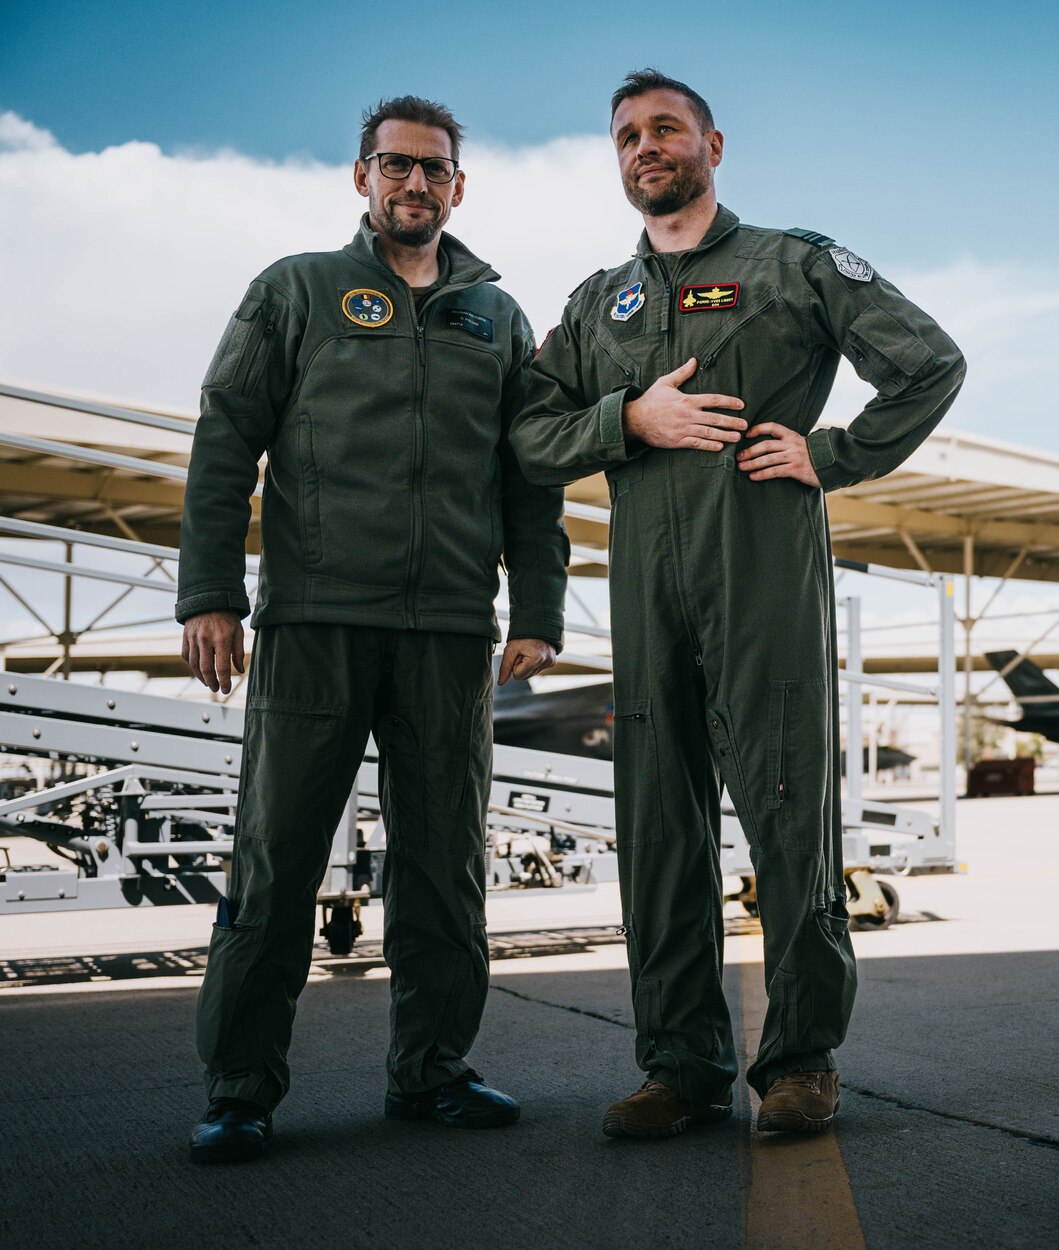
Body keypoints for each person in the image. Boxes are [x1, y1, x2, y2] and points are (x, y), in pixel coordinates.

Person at [512, 70, 964, 1139]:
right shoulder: (596, 304)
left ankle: (801, 1058)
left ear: (713, 143)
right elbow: (527, 432)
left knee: (786, 813)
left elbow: (928, 364)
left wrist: (835, 453)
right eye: (625, 135)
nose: (643, 148)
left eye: (664, 129)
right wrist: (629, 418)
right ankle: (679, 1066)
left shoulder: (791, 264)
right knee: (656, 827)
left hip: (761, 575)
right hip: (644, 598)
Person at [176, 95, 570, 1164]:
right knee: (275, 861)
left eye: (434, 169)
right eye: (395, 165)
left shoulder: (497, 316)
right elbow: (225, 443)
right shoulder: (295, 290)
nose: (414, 184)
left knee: (446, 867)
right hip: (314, 622)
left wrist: (536, 607)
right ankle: (241, 1089)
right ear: (362, 177)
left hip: (449, 630)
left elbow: (531, 477)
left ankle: (431, 1072)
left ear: (457, 186)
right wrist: (210, 590)